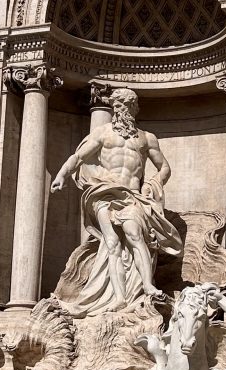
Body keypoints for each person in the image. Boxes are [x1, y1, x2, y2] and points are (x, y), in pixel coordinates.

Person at [50, 87, 182, 315]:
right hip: (104, 192)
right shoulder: (103, 133)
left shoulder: (146, 138)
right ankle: (119, 297)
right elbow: (79, 157)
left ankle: (147, 285)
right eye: (117, 105)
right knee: (111, 243)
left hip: (131, 195)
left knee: (135, 235)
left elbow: (165, 168)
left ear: (134, 107)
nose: (121, 110)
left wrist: (152, 184)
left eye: (125, 105)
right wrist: (61, 174)